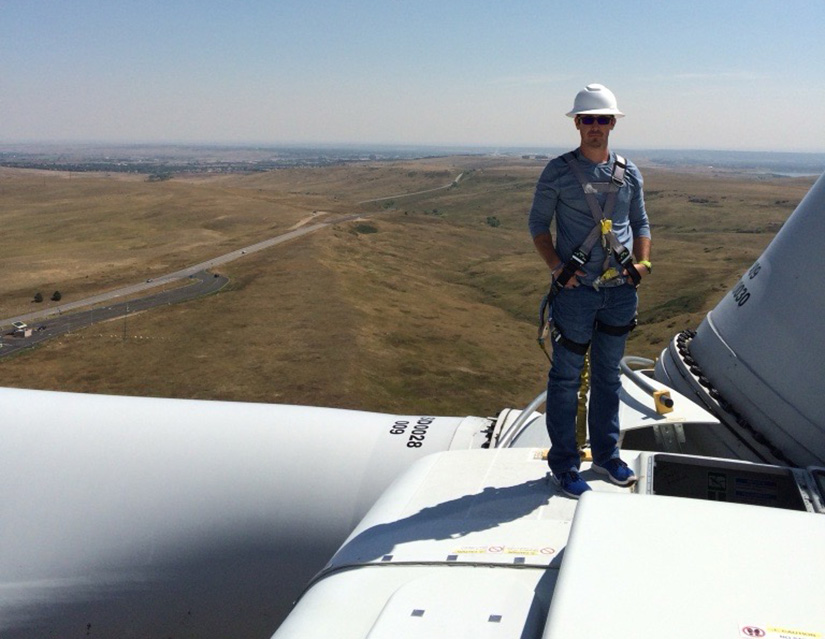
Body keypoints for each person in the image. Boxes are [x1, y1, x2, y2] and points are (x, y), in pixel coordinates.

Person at [527, 83, 652, 499]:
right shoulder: (558, 171)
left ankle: (605, 455)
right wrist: (559, 269)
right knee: (565, 380)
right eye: (587, 120)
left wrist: (643, 263)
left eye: (602, 119)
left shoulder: (628, 171)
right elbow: (538, 227)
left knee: (608, 377)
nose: (594, 127)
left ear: (612, 123)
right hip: (576, 293)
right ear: (577, 124)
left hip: (619, 290)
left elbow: (641, 222)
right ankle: (564, 464)